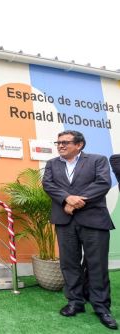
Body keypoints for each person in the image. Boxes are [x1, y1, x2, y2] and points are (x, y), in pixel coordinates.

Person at [42, 130, 117, 330]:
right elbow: (48, 185)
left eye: (65, 142)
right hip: (65, 221)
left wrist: (74, 202)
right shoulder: (52, 164)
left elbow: (102, 183)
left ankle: (101, 307)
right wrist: (67, 198)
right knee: (69, 263)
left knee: (97, 265)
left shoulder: (97, 160)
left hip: (94, 220)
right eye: (58, 142)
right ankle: (75, 302)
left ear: (79, 145)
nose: (60, 145)